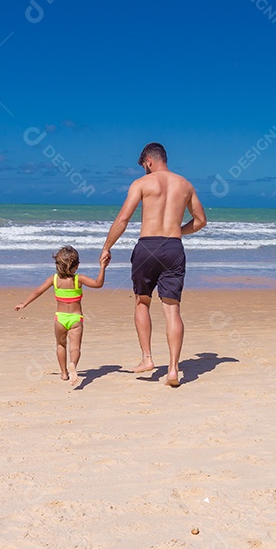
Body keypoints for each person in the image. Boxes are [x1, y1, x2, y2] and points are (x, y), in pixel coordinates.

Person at [101, 142, 207, 387]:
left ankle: (147, 358)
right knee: (172, 310)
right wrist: (176, 232)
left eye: (144, 167)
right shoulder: (185, 185)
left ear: (149, 160)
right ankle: (172, 369)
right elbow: (201, 221)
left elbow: (124, 218)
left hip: (147, 246)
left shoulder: (142, 184)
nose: (145, 171)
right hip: (173, 247)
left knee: (142, 301)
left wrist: (107, 247)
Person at [15, 245, 108, 387]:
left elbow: (38, 291)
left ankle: (64, 373)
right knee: (75, 347)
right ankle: (73, 365)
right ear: (76, 266)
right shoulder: (78, 279)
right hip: (76, 319)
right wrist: (102, 267)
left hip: (60, 319)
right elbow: (98, 284)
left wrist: (25, 303)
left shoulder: (54, 280)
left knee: (60, 345)